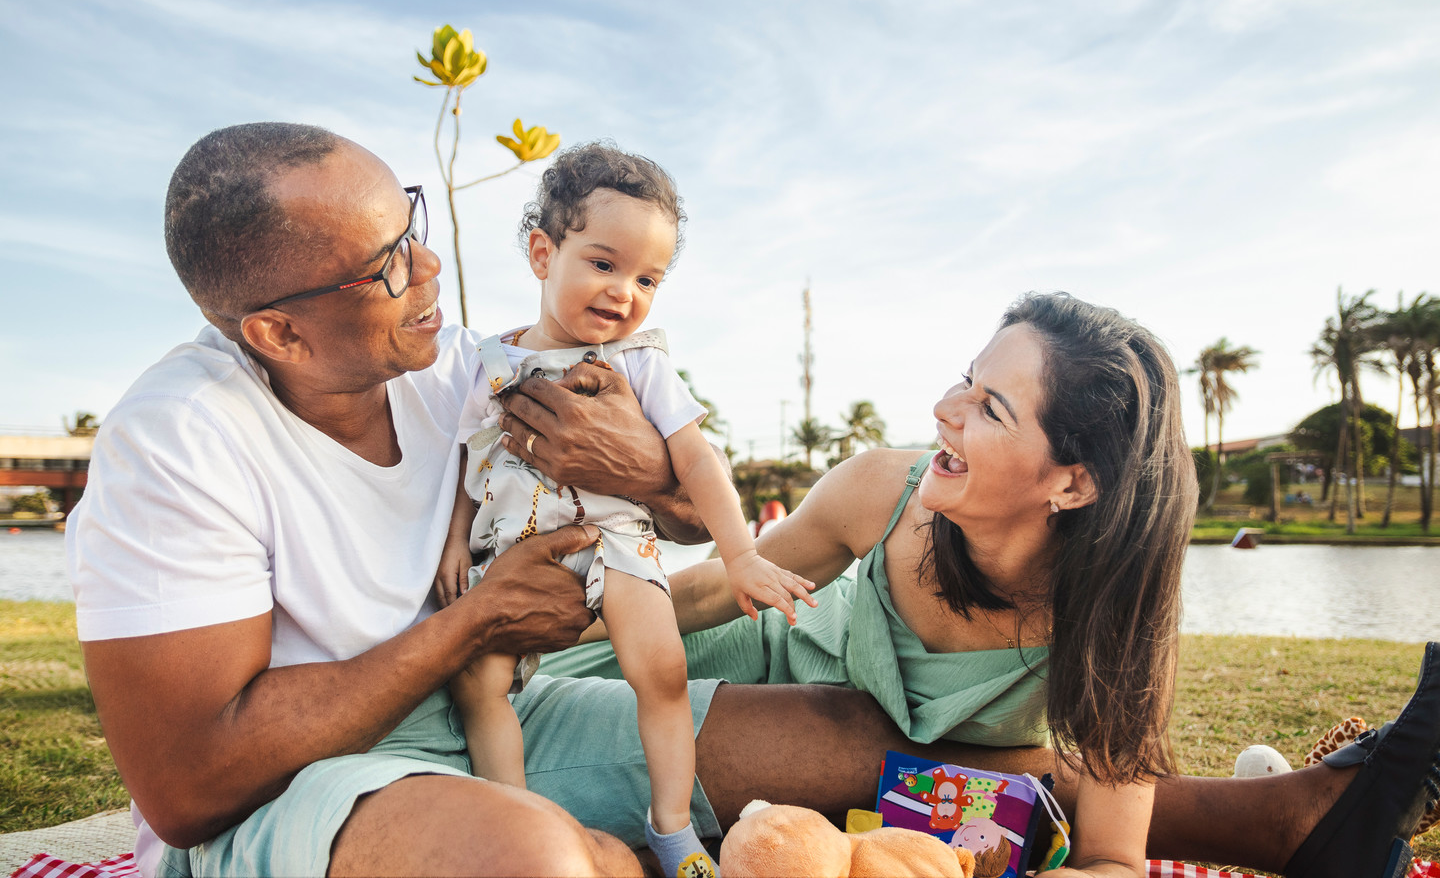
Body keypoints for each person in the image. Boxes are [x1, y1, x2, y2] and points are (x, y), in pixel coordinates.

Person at [67, 121, 1437, 878]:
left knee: (863, 745)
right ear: (280, 334)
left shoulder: (461, 371)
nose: (432, 273)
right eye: (385, 266)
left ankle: (1275, 825)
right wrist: (477, 619)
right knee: (537, 866)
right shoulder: (175, 445)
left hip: (527, 698)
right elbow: (188, 789)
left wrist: (659, 503)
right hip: (316, 782)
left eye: (415, 225)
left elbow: (657, 474)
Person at [538, 292, 1440, 877]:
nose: (944, 408)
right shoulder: (880, 489)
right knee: (855, 732)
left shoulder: (1111, 615)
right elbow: (710, 592)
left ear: (1074, 483)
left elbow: (1114, 856)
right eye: (967, 381)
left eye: (991, 406)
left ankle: (1307, 818)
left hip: (867, 772)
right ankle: (1302, 818)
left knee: (901, 751)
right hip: (744, 667)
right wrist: (550, 632)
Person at [435, 141, 814, 876]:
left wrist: (740, 555)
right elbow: (467, 461)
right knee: (479, 683)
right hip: (512, 550)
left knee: (661, 669)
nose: (624, 292)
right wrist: (456, 542)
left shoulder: (640, 362)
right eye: (604, 265)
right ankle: (520, 820)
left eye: (648, 278)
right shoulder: (493, 363)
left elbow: (697, 459)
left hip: (615, 539)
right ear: (544, 253)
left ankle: (673, 829)